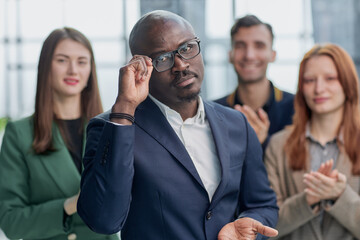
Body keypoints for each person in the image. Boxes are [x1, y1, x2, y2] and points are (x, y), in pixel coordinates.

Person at [77, 10, 278, 240]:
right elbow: (103, 219)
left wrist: (247, 227)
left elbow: (264, 204)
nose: (181, 65)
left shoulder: (236, 123)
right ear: (142, 67)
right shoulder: (113, 127)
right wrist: (124, 109)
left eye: (187, 48)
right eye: (163, 58)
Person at [0, 27, 119, 240]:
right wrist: (70, 204)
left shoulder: (110, 130)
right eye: (62, 60)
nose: (73, 70)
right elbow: (10, 221)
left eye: (82, 61)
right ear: (46, 66)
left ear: (90, 70)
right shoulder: (19, 134)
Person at [264, 43, 360, 239]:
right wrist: (308, 199)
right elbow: (267, 224)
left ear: (347, 83)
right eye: (309, 80)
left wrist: (341, 196)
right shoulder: (278, 145)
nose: (319, 88)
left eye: (330, 78)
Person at [215, 15, 294, 149]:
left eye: (259, 46)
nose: (249, 55)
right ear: (230, 55)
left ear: (273, 55)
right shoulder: (214, 112)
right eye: (240, 46)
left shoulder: (297, 108)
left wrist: (265, 141)